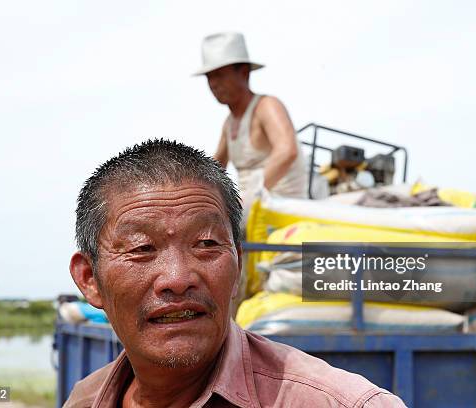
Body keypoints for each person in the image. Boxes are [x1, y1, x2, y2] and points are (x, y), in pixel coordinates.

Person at [66, 139, 405, 407]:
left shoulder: (342, 403)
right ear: (89, 279)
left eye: (206, 243)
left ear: (238, 264)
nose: (178, 277)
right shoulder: (86, 399)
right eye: (142, 248)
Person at [195, 32, 309, 221]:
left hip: (282, 207)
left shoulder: (266, 106)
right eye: (209, 77)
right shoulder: (229, 123)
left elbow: (287, 151)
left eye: (220, 75)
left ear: (244, 73)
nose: (214, 84)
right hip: (252, 210)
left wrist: (245, 200)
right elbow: (215, 168)